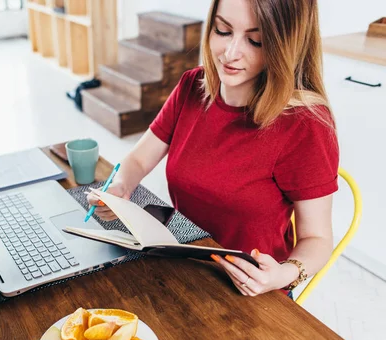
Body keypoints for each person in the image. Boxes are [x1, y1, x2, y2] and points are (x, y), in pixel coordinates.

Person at [87, 0, 339, 298]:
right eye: (222, 30)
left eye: (255, 40)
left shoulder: (305, 124)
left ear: (286, 45)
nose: (230, 54)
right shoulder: (192, 85)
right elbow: (139, 159)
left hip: (249, 289)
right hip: (186, 260)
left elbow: (318, 238)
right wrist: (120, 188)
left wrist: (284, 273)